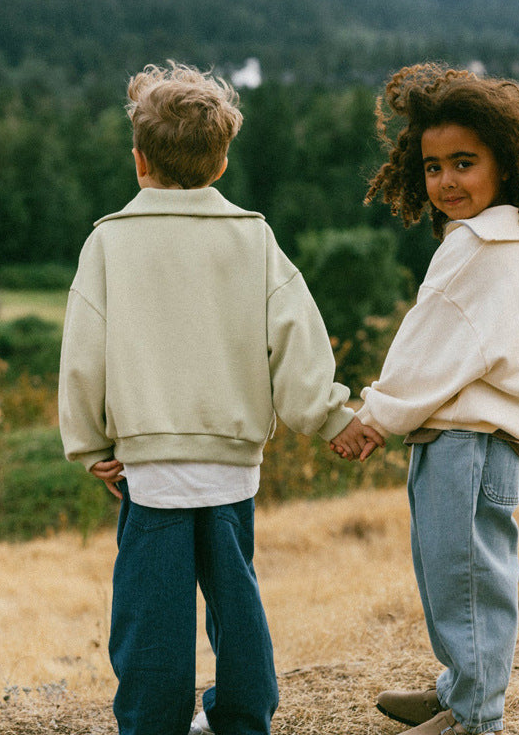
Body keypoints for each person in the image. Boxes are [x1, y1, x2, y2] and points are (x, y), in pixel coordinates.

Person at [58, 61, 383, 735]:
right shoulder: (254, 238)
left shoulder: (109, 242)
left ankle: (153, 723)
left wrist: (90, 446)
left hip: (151, 467)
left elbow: (82, 355)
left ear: (138, 160)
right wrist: (329, 417)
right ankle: (241, 716)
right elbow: (296, 338)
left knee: (153, 610)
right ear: (223, 160)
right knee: (236, 598)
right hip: (232, 463)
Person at [339, 63, 519, 735]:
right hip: (471, 445)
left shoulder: (479, 245)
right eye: (434, 166)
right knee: (454, 577)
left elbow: (425, 348)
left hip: (466, 448)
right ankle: (458, 688)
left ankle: (475, 717)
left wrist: (373, 418)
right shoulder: (514, 241)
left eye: (464, 163)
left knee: (466, 582)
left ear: (505, 164)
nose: (446, 181)